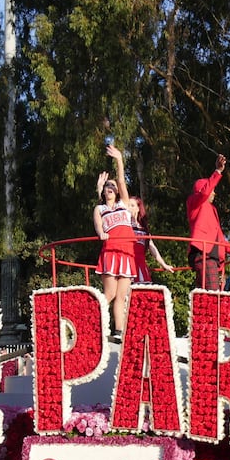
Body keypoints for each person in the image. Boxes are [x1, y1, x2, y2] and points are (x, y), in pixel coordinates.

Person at [93, 144, 136, 340]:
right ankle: (91, 321)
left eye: (113, 187)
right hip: (111, 251)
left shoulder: (124, 205)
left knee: (122, 296)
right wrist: (102, 233)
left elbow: (121, 180)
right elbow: (98, 227)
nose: (110, 188)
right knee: (109, 294)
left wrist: (119, 160)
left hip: (127, 252)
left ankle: (119, 331)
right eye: (107, 187)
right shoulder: (100, 209)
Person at [186, 154, 230, 290]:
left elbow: (220, 240)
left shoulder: (212, 210)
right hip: (204, 254)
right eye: (212, 191)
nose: (214, 194)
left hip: (214, 258)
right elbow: (204, 193)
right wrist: (217, 172)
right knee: (213, 294)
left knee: (208, 297)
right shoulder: (195, 203)